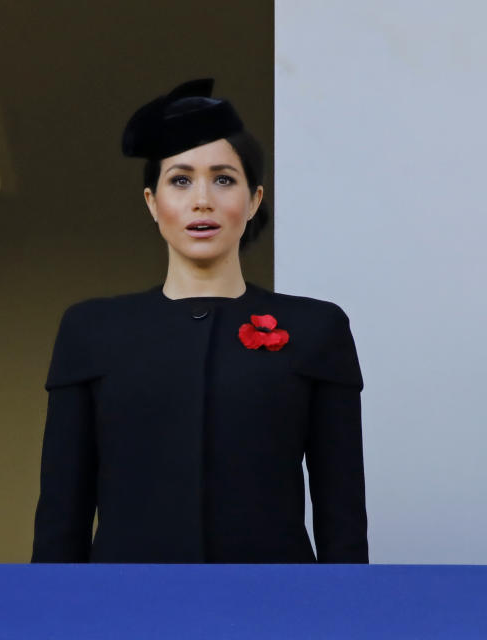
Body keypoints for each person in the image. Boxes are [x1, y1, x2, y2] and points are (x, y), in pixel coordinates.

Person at [31, 79, 367, 563]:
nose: (202, 200)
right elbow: (62, 515)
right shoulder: (92, 330)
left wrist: (346, 620)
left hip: (277, 609)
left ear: (253, 200)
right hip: (124, 609)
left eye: (224, 179)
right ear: (152, 202)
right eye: (181, 179)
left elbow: (343, 520)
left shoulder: (318, 328)